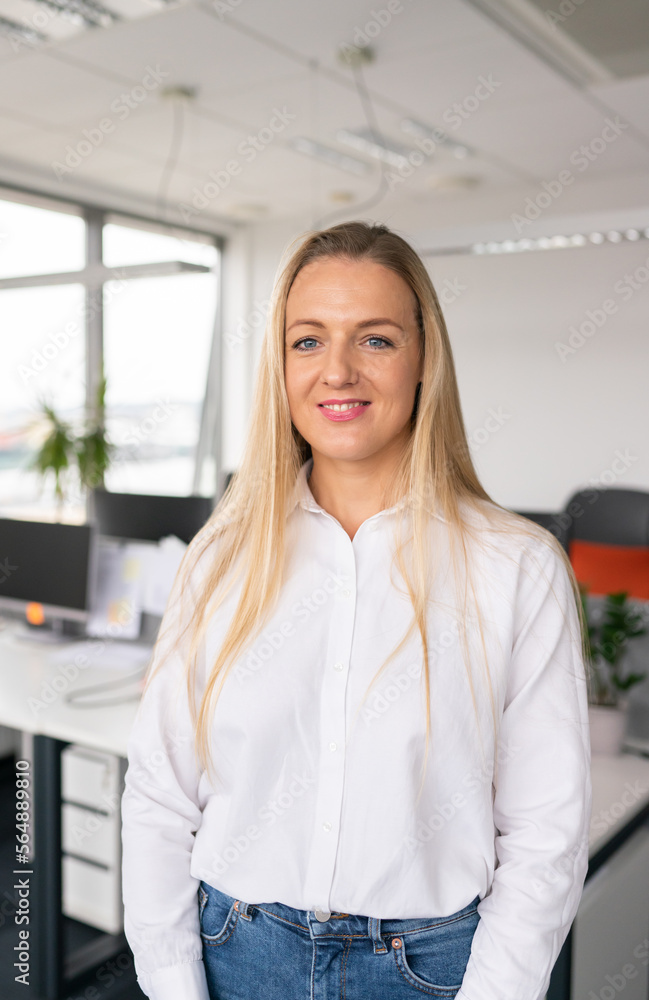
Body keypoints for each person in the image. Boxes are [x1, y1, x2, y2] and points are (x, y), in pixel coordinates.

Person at [121, 220, 592, 1000]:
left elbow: (545, 834)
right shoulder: (219, 558)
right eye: (307, 341)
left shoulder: (516, 567)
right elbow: (160, 793)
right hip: (233, 953)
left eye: (374, 339)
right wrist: (172, 983)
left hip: (431, 971)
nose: (336, 370)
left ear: (423, 359)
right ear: (279, 365)